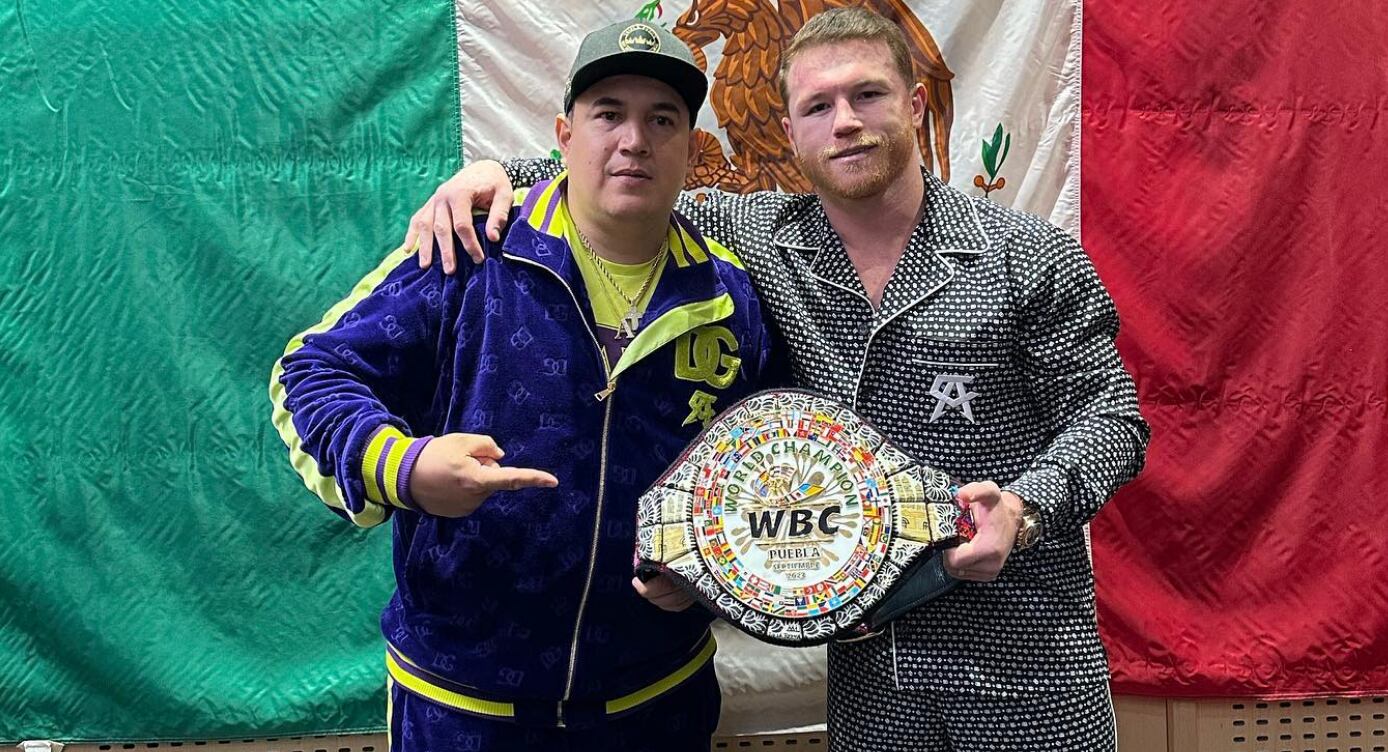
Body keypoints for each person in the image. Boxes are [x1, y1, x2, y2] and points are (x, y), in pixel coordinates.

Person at [402, 7, 1150, 751]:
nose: (845, 122)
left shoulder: (1029, 256)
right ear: (790, 132)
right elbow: (625, 176)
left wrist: (1023, 509)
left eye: (868, 95)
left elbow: (1113, 417)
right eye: (818, 107)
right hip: (868, 675)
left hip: (1024, 657)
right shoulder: (761, 237)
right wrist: (498, 174)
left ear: (916, 104)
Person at [269, 19, 777, 752]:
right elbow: (312, 372)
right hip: (462, 707)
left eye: (662, 119)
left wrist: (717, 573)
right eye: (609, 114)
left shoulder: (732, 296)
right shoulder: (469, 250)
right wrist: (404, 466)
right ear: (564, 137)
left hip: (657, 702)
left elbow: (768, 467)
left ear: (692, 150)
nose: (634, 140)